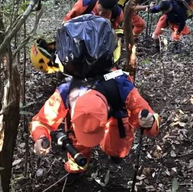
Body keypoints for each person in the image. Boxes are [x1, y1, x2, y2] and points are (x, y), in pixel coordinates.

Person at [31, 71, 160, 173]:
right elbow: (41, 121)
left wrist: (149, 123)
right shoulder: (66, 92)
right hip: (80, 121)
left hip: (115, 114)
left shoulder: (121, 86)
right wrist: (40, 137)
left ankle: (115, 153)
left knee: (119, 146)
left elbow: (148, 115)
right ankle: (78, 167)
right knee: (76, 143)